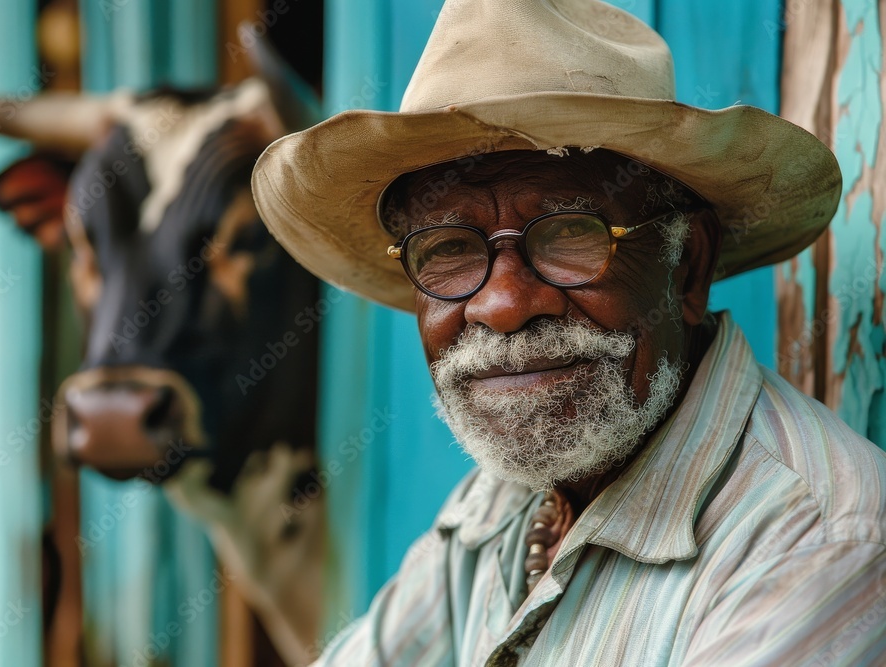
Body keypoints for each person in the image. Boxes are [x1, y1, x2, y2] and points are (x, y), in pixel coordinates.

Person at [252, 0, 886, 664]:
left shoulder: (817, 541)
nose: (501, 305)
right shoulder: (503, 502)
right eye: (448, 248)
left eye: (569, 235)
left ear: (687, 265)